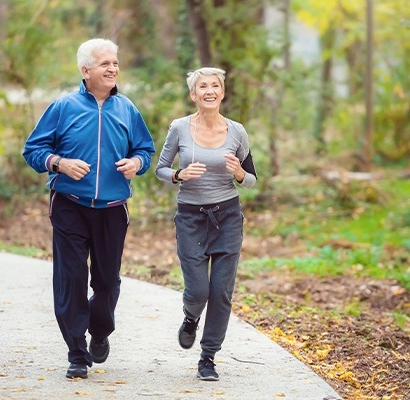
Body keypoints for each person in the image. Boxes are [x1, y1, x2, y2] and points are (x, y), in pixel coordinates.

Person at [23, 38, 155, 380]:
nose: (112, 68)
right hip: (70, 205)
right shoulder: (63, 107)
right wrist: (59, 163)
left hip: (112, 208)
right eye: (104, 64)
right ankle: (77, 353)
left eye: (115, 62)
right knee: (71, 279)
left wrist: (137, 163)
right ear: (86, 71)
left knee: (107, 283)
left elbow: (145, 148)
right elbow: (33, 150)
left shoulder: (127, 108)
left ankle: (99, 331)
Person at [155, 67, 257, 381]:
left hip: (227, 217)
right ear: (193, 94)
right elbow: (160, 168)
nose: (209, 91)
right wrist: (177, 175)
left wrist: (239, 173)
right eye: (202, 86)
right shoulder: (179, 127)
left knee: (222, 291)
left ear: (222, 93)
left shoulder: (237, 131)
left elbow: (251, 180)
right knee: (199, 290)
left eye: (215, 86)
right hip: (190, 218)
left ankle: (208, 356)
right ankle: (190, 318)